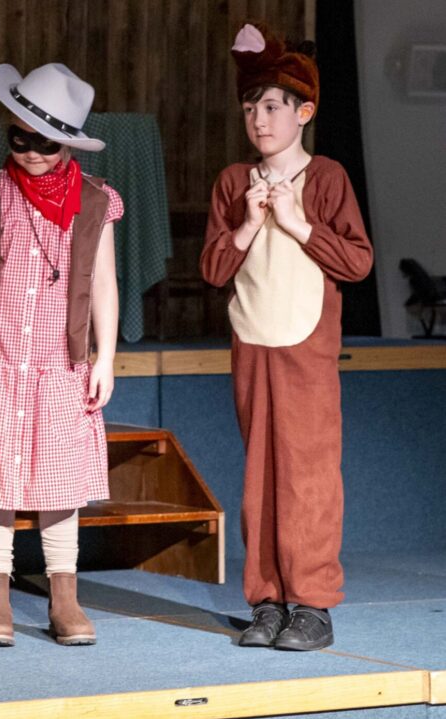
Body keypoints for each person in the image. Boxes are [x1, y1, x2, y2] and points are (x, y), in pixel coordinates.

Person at [201, 23, 373, 651]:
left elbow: (357, 261)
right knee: (260, 477)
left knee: (308, 474)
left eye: (272, 107)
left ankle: (312, 604)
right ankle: (268, 600)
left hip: (306, 345)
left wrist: (300, 224)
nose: (259, 119)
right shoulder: (233, 183)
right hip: (253, 343)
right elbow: (213, 269)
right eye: (250, 108)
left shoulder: (325, 177)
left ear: (304, 112)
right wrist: (247, 225)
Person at [0, 63, 122, 647]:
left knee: (58, 481)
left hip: (60, 366)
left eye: (47, 144)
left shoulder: (96, 201)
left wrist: (105, 357)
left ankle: (64, 596)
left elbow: (104, 283)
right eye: (21, 140)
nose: (33, 154)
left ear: (67, 144)